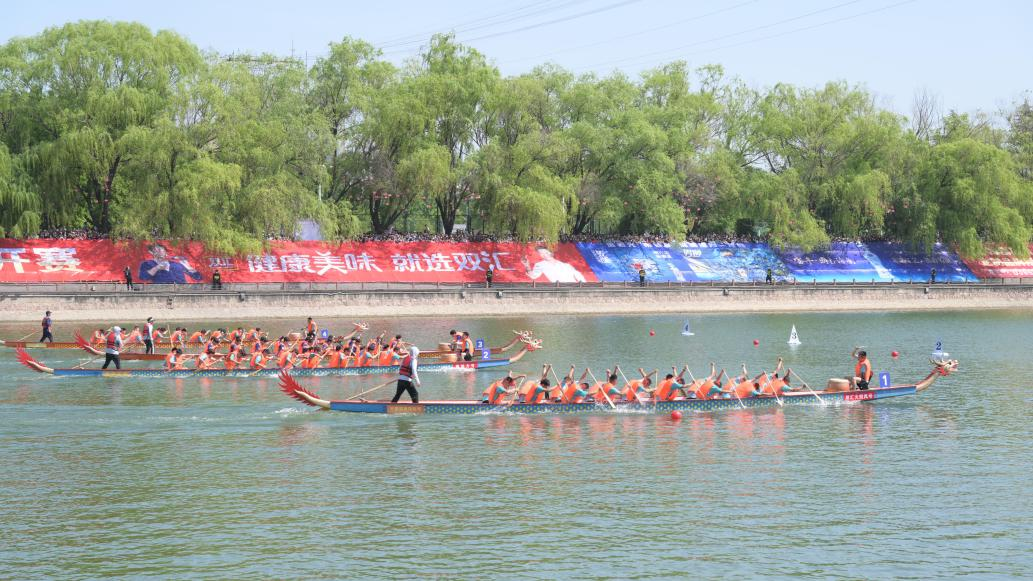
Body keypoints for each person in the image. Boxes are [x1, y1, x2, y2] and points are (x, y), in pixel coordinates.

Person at [522, 247, 587, 283]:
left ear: (550, 252)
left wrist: (584, 287)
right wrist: (527, 265)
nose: (544, 255)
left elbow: (578, 275)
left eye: (545, 252)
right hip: (560, 290)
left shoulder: (566, 265)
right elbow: (533, 275)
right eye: (541, 253)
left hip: (574, 288)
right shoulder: (540, 265)